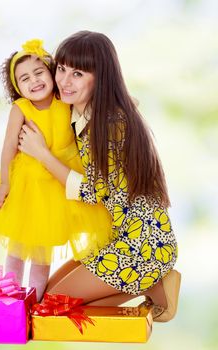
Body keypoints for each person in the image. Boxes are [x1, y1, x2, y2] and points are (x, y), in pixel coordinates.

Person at [18, 31, 181, 321]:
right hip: (122, 240)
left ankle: (154, 280)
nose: (64, 81)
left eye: (78, 73)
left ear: (100, 77)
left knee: (51, 308)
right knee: (46, 296)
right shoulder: (87, 112)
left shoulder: (109, 123)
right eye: (62, 69)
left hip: (142, 247)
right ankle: (154, 284)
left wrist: (42, 153)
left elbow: (93, 191)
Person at [0, 39, 112, 302]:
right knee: (17, 249)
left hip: (58, 184)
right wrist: (5, 182)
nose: (34, 81)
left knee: (42, 253)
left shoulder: (65, 100)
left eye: (39, 72)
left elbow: (94, 106)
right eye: (24, 79)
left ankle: (34, 303)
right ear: (17, 88)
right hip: (27, 185)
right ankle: (11, 302)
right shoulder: (21, 109)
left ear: (52, 73)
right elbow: (8, 146)